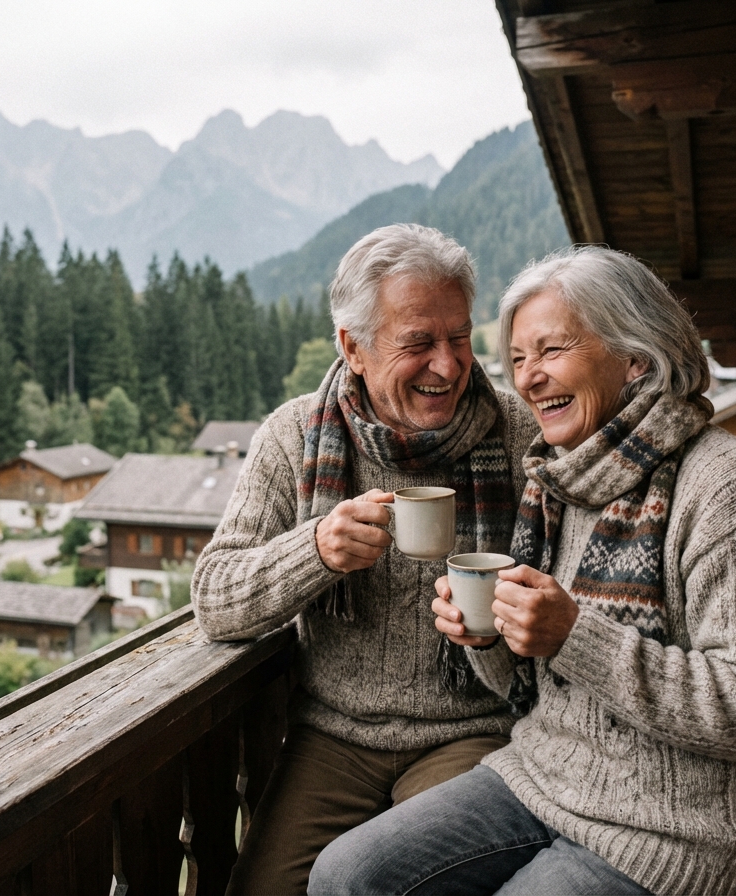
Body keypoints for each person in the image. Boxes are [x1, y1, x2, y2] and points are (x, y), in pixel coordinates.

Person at [309, 245, 736, 896]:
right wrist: (490, 638)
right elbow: (528, 685)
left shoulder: (729, 491)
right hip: (545, 778)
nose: (528, 379)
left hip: (675, 830)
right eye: (518, 359)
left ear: (636, 355)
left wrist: (575, 637)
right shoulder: (557, 482)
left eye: (551, 351)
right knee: (345, 874)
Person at [192, 224, 540, 894]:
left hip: (472, 730)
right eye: (419, 343)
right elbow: (214, 597)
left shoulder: (522, 440)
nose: (448, 364)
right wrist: (315, 550)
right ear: (353, 347)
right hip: (332, 738)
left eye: (461, 337)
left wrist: (494, 630)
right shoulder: (295, 435)